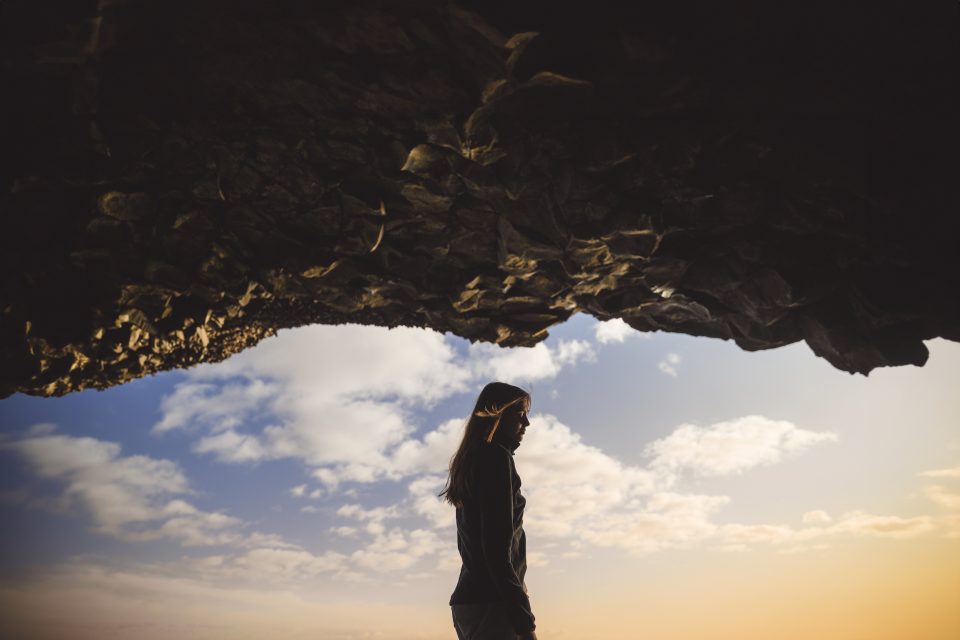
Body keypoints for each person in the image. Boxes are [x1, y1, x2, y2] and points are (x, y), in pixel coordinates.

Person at [440, 382, 538, 640]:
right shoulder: (495, 457)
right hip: (493, 604)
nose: (526, 423)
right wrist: (524, 621)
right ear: (498, 414)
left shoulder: (472, 462)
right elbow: (496, 551)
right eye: (519, 415)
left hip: (470, 602)